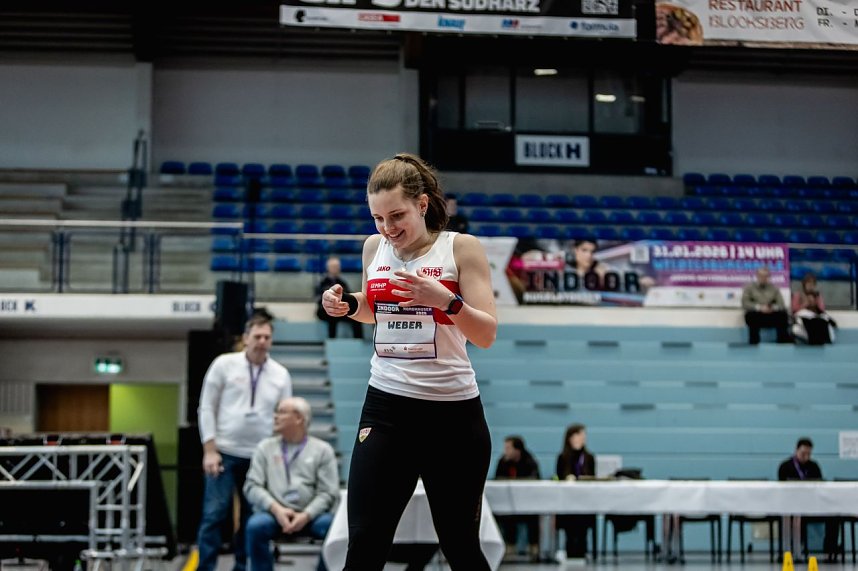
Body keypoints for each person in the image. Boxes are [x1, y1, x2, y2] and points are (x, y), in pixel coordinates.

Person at [320, 152, 498, 570]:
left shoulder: (461, 249)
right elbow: (374, 310)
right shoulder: (374, 248)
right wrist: (347, 304)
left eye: (396, 215)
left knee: (460, 547)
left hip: (452, 415)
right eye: (378, 219)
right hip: (387, 408)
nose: (387, 229)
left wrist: (446, 302)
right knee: (363, 544)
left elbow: (486, 334)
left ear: (422, 204)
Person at [196, 313, 293, 571]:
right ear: (246, 338)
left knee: (251, 519)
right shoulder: (223, 364)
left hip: (259, 456)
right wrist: (209, 449)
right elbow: (206, 406)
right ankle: (205, 567)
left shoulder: (280, 374)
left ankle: (241, 567)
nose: (262, 341)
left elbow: (285, 417)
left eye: (267, 337)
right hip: (223, 452)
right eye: (257, 336)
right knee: (214, 514)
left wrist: (277, 457)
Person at [244, 397, 339, 571]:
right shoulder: (264, 448)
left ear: (299, 418)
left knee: (333, 527)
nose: (275, 417)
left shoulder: (323, 450)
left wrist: (306, 515)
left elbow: (328, 493)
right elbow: (251, 486)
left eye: (281, 412)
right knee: (255, 526)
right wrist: (277, 509)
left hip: (312, 516)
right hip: (274, 515)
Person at [778, 438, 840, 562]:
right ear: (796, 451)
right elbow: (781, 489)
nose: (806, 457)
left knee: (834, 515)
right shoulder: (785, 466)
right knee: (790, 517)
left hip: (813, 506)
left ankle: (830, 551)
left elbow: (820, 486)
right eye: (803, 453)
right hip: (793, 507)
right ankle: (790, 551)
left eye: (808, 454)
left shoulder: (813, 466)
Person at [495, 435, 541, 562]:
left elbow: (535, 479)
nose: (506, 451)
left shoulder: (529, 461)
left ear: (517, 450)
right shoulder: (503, 462)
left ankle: (534, 547)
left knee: (533, 515)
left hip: (528, 504)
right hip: (508, 503)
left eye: (508, 448)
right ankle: (508, 546)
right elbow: (497, 479)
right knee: (504, 514)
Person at [555, 424, 596, 563]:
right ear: (570, 438)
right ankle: (569, 549)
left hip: (585, 500)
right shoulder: (563, 457)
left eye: (583, 436)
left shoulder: (589, 457)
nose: (582, 438)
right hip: (567, 501)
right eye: (579, 435)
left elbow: (592, 477)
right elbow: (560, 476)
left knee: (583, 521)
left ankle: (582, 550)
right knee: (570, 522)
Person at [315, 257, 364, 339]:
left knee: (356, 317)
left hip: (340, 308)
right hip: (324, 309)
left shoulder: (342, 283)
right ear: (328, 268)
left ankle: (358, 340)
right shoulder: (322, 282)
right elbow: (319, 298)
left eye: (337, 267)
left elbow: (349, 296)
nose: (336, 269)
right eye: (333, 267)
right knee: (332, 315)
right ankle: (332, 340)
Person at [741, 265, 791, 344]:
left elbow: (781, 304)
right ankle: (754, 344)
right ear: (757, 276)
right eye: (761, 276)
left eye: (765, 276)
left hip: (770, 314)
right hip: (757, 314)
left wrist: (772, 308)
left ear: (769, 277)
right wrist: (759, 307)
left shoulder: (774, 288)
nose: (763, 278)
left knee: (783, 315)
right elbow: (745, 303)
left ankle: (782, 344)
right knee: (750, 315)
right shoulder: (749, 288)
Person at [791, 273, 836, 345]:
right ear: (804, 284)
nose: (810, 286)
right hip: (802, 316)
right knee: (804, 316)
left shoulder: (817, 295)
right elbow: (794, 309)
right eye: (808, 284)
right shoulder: (798, 294)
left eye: (812, 284)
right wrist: (805, 304)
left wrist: (815, 302)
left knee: (823, 319)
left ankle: (826, 339)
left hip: (815, 316)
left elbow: (822, 309)